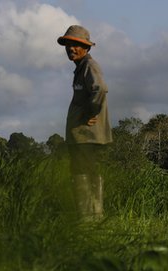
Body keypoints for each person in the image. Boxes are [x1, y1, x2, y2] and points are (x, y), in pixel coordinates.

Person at [57, 24, 112, 219]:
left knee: (84, 174)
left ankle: (90, 219)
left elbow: (100, 89)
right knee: (82, 174)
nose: (71, 48)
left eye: (76, 45)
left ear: (86, 48)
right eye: (68, 45)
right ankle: (90, 217)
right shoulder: (80, 68)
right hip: (81, 137)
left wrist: (91, 111)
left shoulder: (90, 66)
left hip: (88, 137)